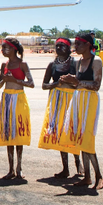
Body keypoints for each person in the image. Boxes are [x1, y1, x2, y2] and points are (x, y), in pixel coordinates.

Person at [58, 32, 103, 190]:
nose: (75, 46)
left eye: (79, 44)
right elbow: (78, 84)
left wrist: (77, 82)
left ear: (88, 45)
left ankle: (99, 176)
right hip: (78, 99)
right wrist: (70, 81)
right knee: (80, 136)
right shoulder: (78, 62)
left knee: (88, 137)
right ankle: (87, 177)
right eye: (75, 43)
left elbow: (96, 85)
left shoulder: (96, 61)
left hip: (90, 100)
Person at [38, 37, 83, 178]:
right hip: (57, 101)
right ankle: (65, 167)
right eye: (57, 46)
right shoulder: (52, 65)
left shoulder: (75, 63)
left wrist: (70, 82)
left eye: (62, 46)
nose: (59, 48)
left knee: (72, 130)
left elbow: (80, 82)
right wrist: (56, 84)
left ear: (69, 48)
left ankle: (78, 162)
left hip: (71, 99)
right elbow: (44, 85)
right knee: (60, 132)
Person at [0, 37, 33, 180]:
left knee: (18, 134)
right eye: (3, 48)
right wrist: (4, 79)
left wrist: (14, 80)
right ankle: (10, 169)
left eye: (6, 48)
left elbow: (31, 83)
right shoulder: (4, 64)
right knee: (8, 134)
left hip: (19, 98)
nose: (3, 50)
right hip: (6, 98)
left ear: (14, 49)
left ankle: (19, 167)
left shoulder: (22, 64)